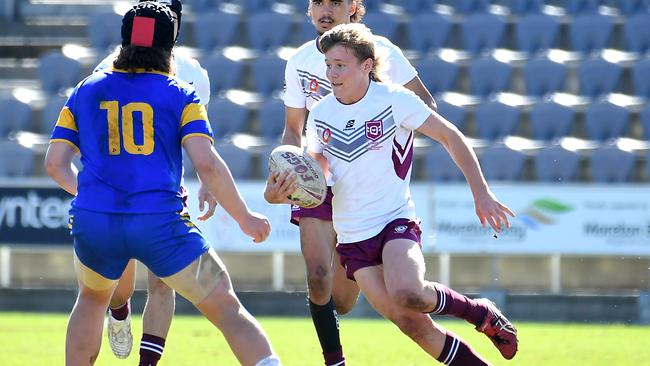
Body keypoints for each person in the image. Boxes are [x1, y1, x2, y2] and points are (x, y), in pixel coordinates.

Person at [44, 2, 281, 365]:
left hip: (96, 222)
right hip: (161, 225)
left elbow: (55, 165)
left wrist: (95, 194)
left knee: (91, 300)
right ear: (170, 46)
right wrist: (245, 217)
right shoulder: (180, 92)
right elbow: (207, 164)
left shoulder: (85, 89)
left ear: (123, 42)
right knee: (227, 310)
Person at [304, 23, 518, 365]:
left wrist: (481, 193)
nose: (332, 73)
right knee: (412, 323)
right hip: (352, 238)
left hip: (394, 222)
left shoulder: (394, 100)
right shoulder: (319, 115)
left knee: (409, 293)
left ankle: (479, 312)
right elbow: (316, 175)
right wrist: (289, 187)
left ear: (366, 66)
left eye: (340, 65)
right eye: (328, 65)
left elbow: (451, 136)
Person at [263, 1, 437, 365]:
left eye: (336, 2)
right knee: (317, 275)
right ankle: (335, 361)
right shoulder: (298, 61)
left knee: (342, 299)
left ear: (354, 7)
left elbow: (425, 106)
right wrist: (286, 168)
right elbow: (293, 128)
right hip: (318, 173)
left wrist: (386, 153)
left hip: (364, 181)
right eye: (318, 2)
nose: (326, 9)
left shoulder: (381, 50)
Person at [94, 1, 217, 364]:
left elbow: (198, 137)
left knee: (164, 280)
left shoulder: (194, 73)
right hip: (117, 192)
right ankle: (119, 312)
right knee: (118, 286)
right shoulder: (107, 69)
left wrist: (205, 180)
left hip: (164, 192)